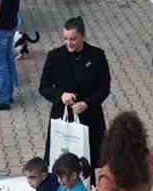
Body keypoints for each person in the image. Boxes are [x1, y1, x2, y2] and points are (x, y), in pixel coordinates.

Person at [38, 17, 110, 162]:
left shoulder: (97, 56)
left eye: (73, 39)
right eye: (65, 39)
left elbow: (104, 88)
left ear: (83, 36)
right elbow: (44, 87)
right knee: (60, 161)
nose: (68, 43)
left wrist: (87, 103)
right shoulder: (55, 56)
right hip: (62, 118)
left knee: (88, 162)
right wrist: (61, 95)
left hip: (90, 118)